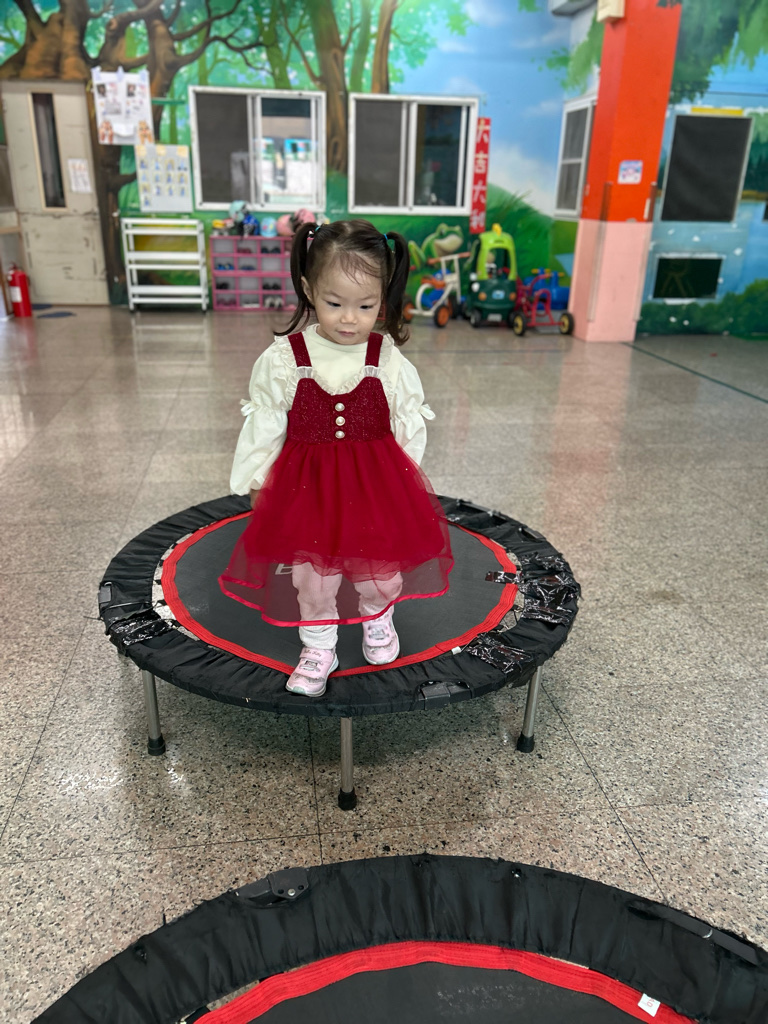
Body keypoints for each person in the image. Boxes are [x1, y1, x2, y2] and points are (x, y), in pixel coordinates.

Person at [219, 219, 453, 697]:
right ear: (308, 289)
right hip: (308, 492)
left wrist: (403, 485)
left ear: (383, 298)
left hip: (374, 488)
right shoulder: (285, 359)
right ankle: (318, 645)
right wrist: (257, 479)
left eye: (366, 306)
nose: (350, 319)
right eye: (334, 303)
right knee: (312, 579)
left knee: (379, 570)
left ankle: (378, 617)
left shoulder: (386, 359)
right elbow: (266, 425)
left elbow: (407, 425)